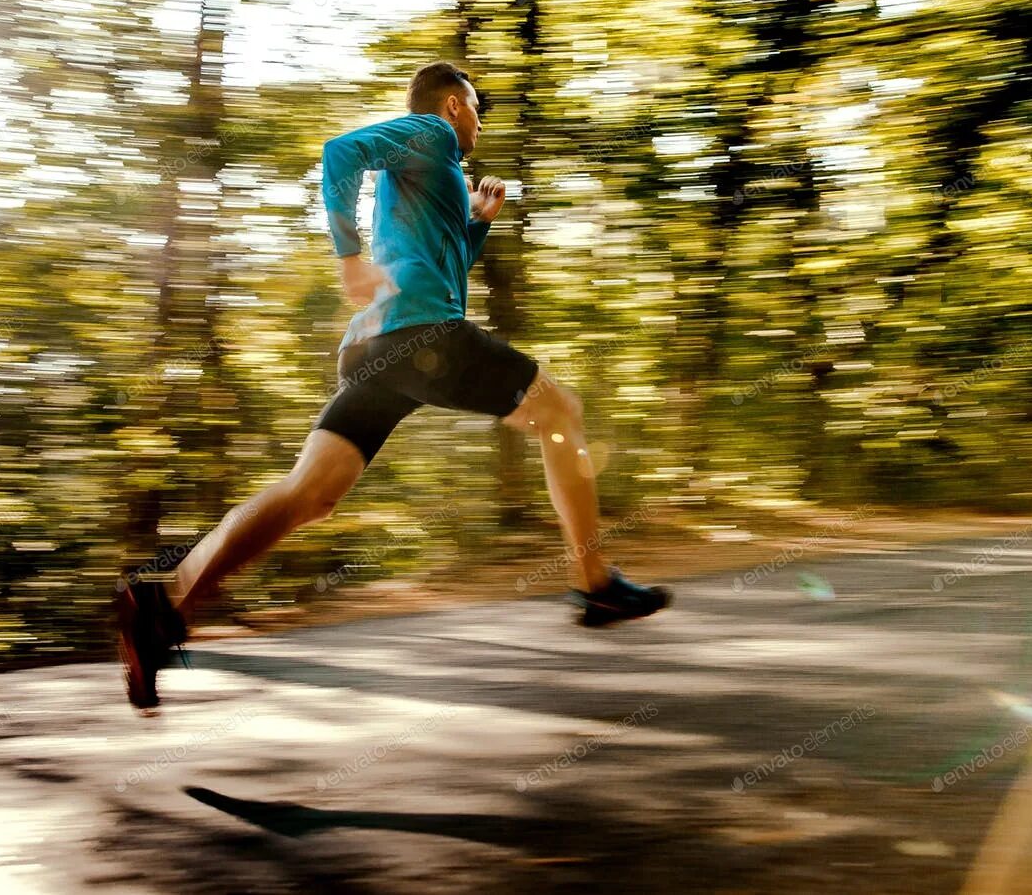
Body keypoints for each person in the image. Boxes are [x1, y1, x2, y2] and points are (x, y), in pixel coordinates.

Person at [115, 62, 670, 709]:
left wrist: (478, 222)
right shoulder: (431, 134)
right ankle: (594, 580)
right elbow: (341, 151)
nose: (479, 122)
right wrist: (349, 255)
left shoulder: (437, 178)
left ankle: (166, 599)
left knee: (310, 492)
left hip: (380, 348)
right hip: (423, 335)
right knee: (559, 410)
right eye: (476, 109)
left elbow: (444, 265)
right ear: (454, 104)